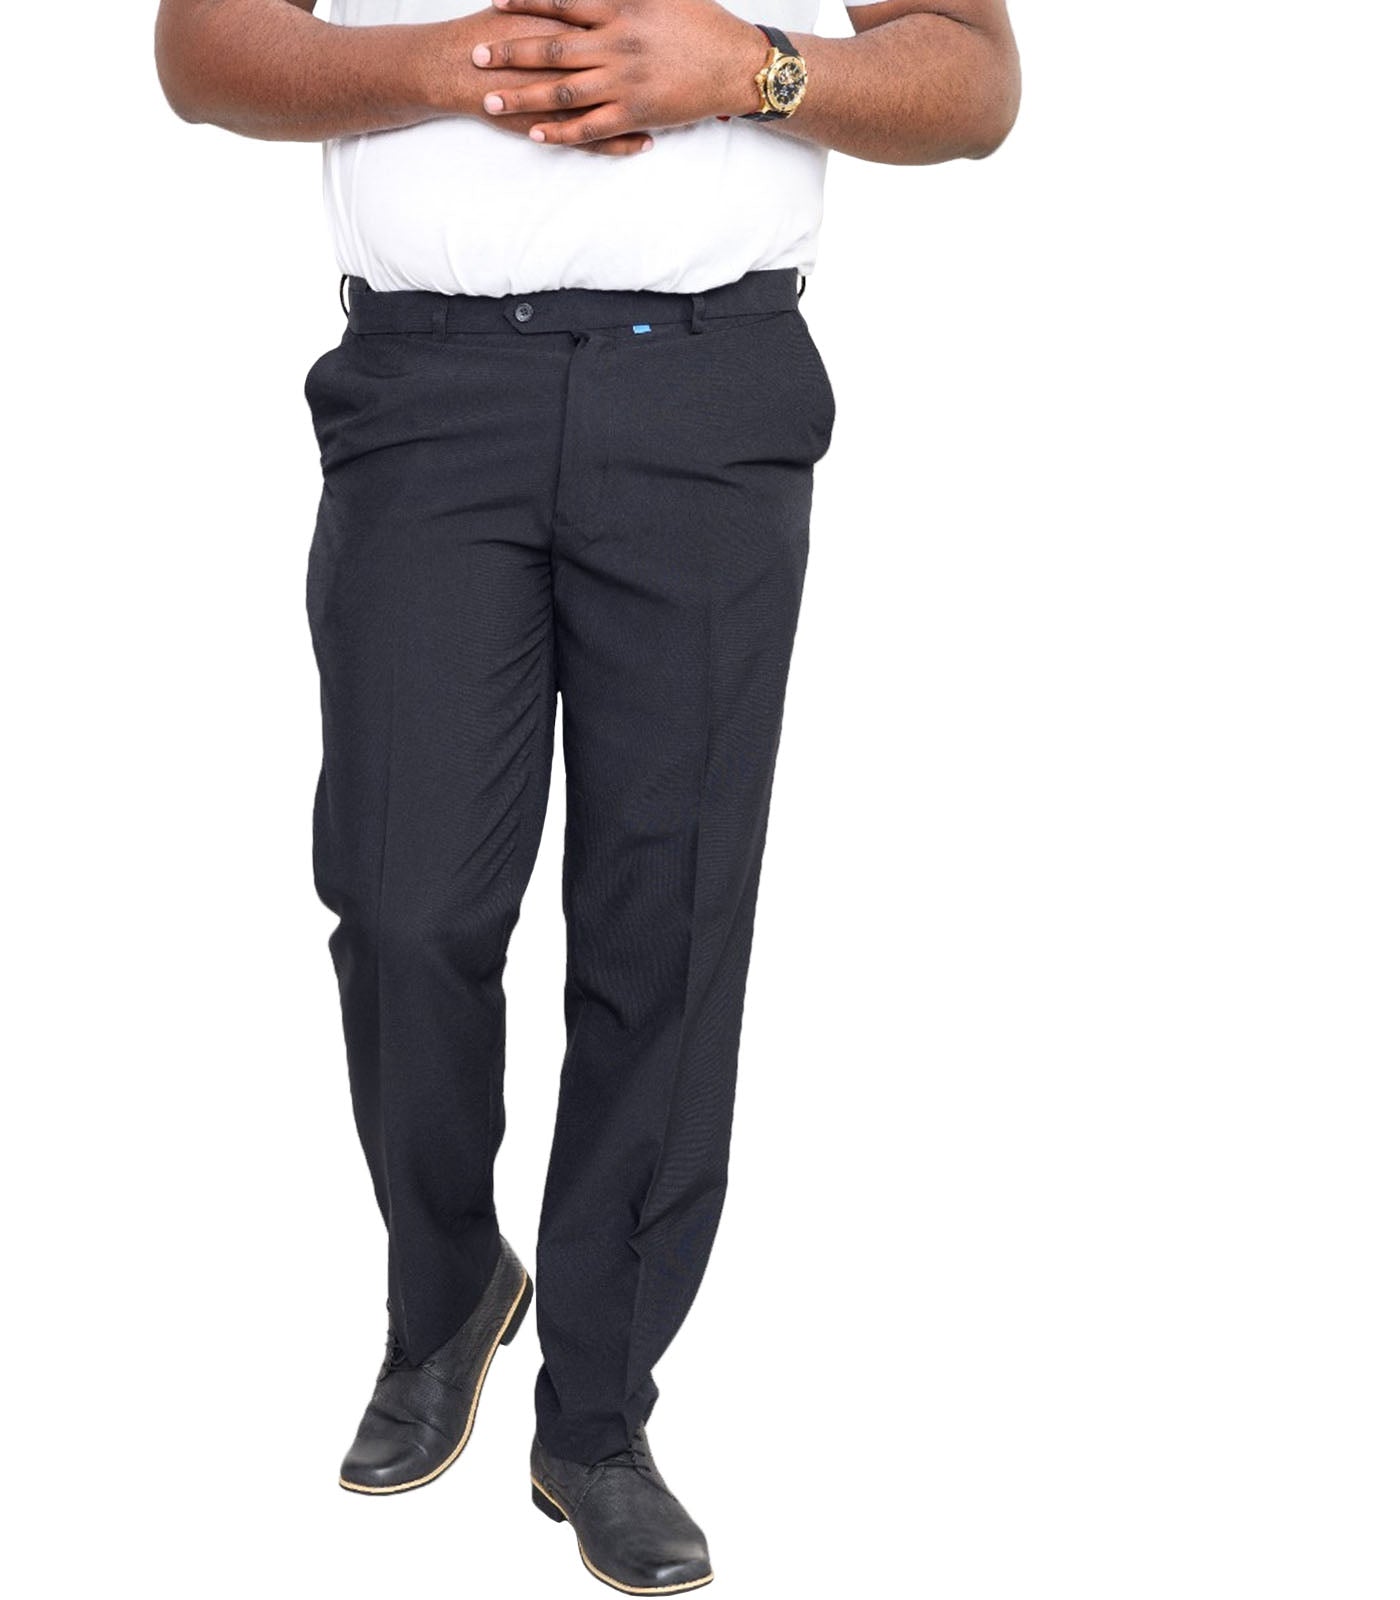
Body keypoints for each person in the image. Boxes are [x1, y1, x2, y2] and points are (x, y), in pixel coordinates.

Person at [154, 0, 1020, 1590]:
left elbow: (972, 82)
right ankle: (445, 1291)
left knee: (663, 923)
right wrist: (442, 63)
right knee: (405, 907)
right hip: (429, 393)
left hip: (707, 386)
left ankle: (600, 1419)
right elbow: (203, 54)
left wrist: (751, 71)